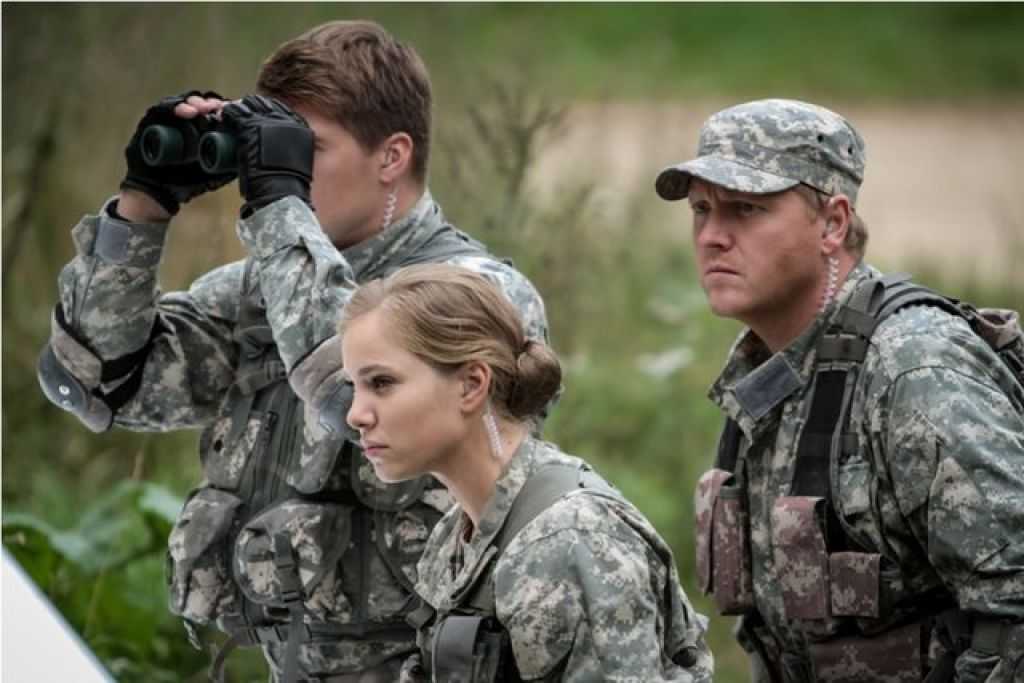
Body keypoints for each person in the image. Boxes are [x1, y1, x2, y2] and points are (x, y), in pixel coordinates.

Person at [36, 20, 550, 682]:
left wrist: (279, 206)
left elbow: (353, 389)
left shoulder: (480, 294)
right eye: (275, 151)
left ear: (391, 156)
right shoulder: (261, 289)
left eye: (307, 150)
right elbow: (104, 381)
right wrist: (142, 205)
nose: (283, 173)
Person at [654, 98, 1024, 682]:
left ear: (833, 223)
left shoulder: (914, 370)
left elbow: (1015, 602)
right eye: (701, 210)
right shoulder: (765, 371)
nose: (712, 237)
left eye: (746, 210)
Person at [338, 263, 714, 683]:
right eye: (353, 385)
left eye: (382, 383)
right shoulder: (457, 536)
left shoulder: (570, 538)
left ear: (470, 384)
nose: (356, 414)